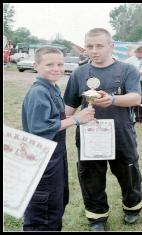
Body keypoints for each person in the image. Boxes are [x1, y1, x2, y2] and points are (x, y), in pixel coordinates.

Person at [63, 28, 142, 231]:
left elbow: (136, 97)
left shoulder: (127, 70)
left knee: (128, 173)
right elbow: (69, 107)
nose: (94, 50)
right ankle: (97, 217)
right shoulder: (79, 73)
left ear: (111, 46)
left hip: (121, 134)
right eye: (89, 46)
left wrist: (113, 99)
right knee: (91, 177)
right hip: (90, 135)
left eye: (99, 45)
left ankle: (132, 207)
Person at [22, 47, 95, 231]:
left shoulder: (52, 87)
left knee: (56, 205)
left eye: (60, 64)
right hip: (42, 161)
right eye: (49, 64)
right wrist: (77, 119)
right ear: (35, 66)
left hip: (55, 157)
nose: (56, 68)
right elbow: (40, 129)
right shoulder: (39, 92)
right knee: (43, 212)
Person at [125, 46, 142, 125]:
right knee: (130, 100)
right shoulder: (129, 61)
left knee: (141, 101)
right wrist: (140, 72)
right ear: (137, 52)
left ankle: (140, 118)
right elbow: (125, 71)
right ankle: (128, 118)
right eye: (141, 52)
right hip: (132, 83)